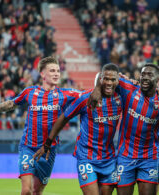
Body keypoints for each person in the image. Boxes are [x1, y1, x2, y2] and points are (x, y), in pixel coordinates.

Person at [0, 56, 81, 195]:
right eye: (52, 70)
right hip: (28, 147)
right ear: (42, 74)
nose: (56, 73)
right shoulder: (30, 92)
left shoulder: (65, 94)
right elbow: (10, 104)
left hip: (49, 150)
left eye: (58, 71)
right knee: (26, 190)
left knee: (37, 191)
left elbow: (89, 96)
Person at [34, 63, 122, 195]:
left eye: (112, 80)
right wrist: (47, 143)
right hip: (87, 157)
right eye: (106, 79)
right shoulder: (86, 98)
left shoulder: (121, 98)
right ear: (100, 79)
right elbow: (64, 118)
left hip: (108, 158)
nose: (109, 82)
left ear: (118, 80)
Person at [89, 63, 159, 195]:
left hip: (149, 157)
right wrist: (97, 88)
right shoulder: (129, 88)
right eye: (143, 74)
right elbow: (101, 75)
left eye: (149, 75)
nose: (144, 77)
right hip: (126, 156)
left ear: (157, 79)